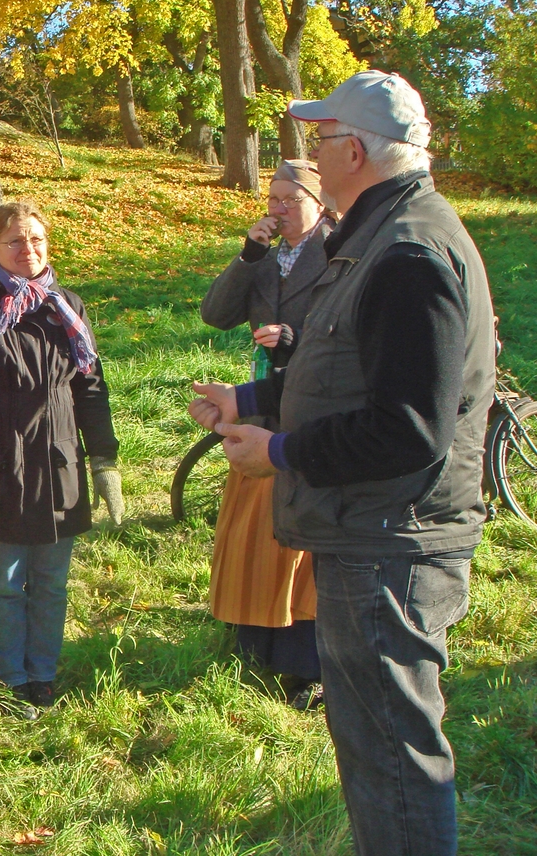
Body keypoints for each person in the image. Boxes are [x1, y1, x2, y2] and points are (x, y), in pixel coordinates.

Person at [189, 71, 494, 856]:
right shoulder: (376, 239)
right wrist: (246, 401)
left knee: (392, 760)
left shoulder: (408, 253)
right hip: (369, 534)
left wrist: (280, 451)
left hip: (390, 546)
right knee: (373, 750)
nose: (314, 155)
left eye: (321, 140)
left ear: (355, 152)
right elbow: (343, 372)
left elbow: (407, 428)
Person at [0, 201, 122, 718]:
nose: (27, 249)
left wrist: (104, 459)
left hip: (58, 465)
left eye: (36, 238)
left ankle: (43, 674)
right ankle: (11, 677)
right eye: (15, 240)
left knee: (52, 582)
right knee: (5, 583)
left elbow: (90, 388)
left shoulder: (66, 307)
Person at [200, 160, 335, 710]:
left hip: (314, 413)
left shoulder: (338, 253)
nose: (277, 210)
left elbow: (347, 334)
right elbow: (215, 314)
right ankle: (254, 642)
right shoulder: (267, 256)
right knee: (254, 532)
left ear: (319, 203)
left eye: (289, 199)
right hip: (261, 411)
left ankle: (305, 662)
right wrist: (248, 256)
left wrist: (294, 337)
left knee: (301, 538)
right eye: (272, 199)